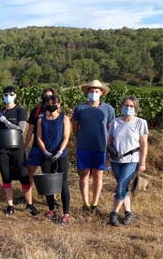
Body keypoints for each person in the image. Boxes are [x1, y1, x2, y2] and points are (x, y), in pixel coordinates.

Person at [72, 80, 115, 214]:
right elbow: (75, 128)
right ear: (87, 93)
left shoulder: (108, 109)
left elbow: (111, 129)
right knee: (84, 175)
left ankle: (95, 204)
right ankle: (85, 204)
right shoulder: (80, 108)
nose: (94, 93)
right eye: (91, 91)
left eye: (97, 91)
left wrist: (109, 146)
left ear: (101, 93)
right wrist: (81, 138)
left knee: (98, 175)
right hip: (83, 147)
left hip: (101, 148)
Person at [0, 85, 36, 216]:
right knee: (6, 177)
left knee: (24, 176)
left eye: (11, 94)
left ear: (15, 95)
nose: (8, 97)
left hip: (17, 148)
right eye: (5, 94)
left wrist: (5, 121)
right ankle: (10, 205)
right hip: (2, 149)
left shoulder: (20, 110)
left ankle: (29, 204)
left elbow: (20, 129)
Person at [107, 96, 148, 226]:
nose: (128, 108)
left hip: (132, 160)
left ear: (135, 108)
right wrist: (106, 157)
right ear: (121, 107)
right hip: (115, 160)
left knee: (121, 186)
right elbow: (109, 142)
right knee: (123, 187)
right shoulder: (115, 122)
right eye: (126, 105)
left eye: (131, 106)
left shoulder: (140, 123)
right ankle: (128, 213)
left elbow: (144, 144)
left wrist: (142, 162)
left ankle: (113, 214)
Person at [36, 95, 72, 225]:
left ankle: (66, 213)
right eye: (49, 102)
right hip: (46, 155)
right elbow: (39, 138)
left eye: (54, 103)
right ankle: (51, 209)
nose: (51, 105)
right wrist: (44, 150)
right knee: (48, 184)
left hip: (60, 155)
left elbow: (66, 137)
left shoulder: (64, 119)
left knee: (62, 184)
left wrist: (60, 151)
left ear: (59, 104)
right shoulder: (41, 120)